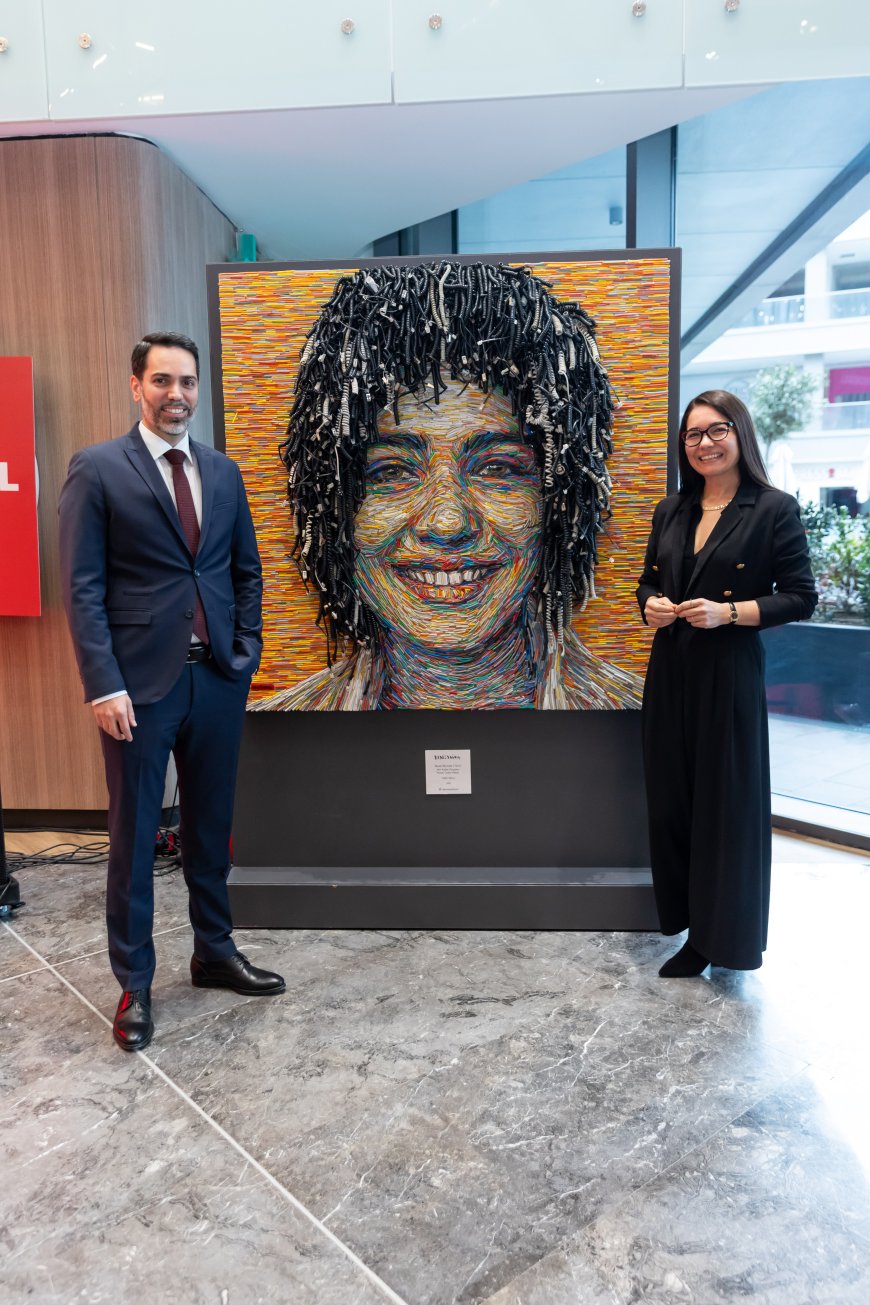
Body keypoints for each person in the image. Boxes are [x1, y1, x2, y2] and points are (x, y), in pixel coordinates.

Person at [253, 261, 643, 711]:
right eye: (391, 472)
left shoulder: (634, 712)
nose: (447, 522)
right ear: (330, 507)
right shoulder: (282, 722)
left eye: (497, 469)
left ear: (560, 499)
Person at [59, 331, 284, 1052]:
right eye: (162, 380)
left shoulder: (222, 471)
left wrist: (244, 654)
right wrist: (103, 683)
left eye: (187, 381)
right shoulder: (98, 468)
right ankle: (135, 983)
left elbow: (245, 571)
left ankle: (214, 951)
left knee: (210, 825)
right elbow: (83, 587)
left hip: (214, 679)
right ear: (137, 386)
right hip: (136, 689)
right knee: (133, 837)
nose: (176, 394)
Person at [637, 389, 817, 977]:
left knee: (725, 807)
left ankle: (720, 941)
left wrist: (729, 612)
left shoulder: (772, 508)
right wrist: (651, 606)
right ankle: (687, 923)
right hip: (670, 670)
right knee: (673, 803)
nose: (705, 443)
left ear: (740, 433)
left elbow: (801, 597)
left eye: (717, 430)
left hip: (729, 672)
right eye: (693, 434)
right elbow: (648, 582)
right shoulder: (671, 510)